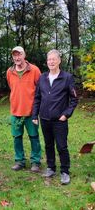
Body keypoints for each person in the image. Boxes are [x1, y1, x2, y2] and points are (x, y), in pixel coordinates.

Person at [32, 49, 78, 185]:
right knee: (48, 145)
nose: (51, 62)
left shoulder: (67, 77)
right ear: (47, 62)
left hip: (59, 120)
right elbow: (37, 98)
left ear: (59, 61)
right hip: (45, 119)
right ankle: (51, 168)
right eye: (49, 59)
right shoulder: (42, 77)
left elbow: (74, 99)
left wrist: (66, 114)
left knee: (62, 146)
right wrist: (35, 114)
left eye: (54, 59)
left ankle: (65, 172)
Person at [6, 46, 41, 172]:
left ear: (24, 55)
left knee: (34, 136)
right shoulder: (9, 72)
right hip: (15, 111)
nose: (17, 57)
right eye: (14, 55)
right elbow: (12, 88)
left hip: (31, 112)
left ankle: (36, 162)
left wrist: (36, 110)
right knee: (17, 137)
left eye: (19, 54)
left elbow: (40, 89)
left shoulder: (34, 70)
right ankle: (19, 161)